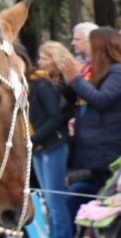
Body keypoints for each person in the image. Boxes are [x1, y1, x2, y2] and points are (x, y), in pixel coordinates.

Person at [61, 27, 121, 229]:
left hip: (109, 152)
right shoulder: (94, 71)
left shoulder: (117, 71)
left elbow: (102, 99)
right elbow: (76, 99)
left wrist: (76, 79)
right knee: (79, 197)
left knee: (107, 205)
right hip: (92, 154)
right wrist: (68, 81)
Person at [27, 42, 73, 238]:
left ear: (55, 60)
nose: (39, 62)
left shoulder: (48, 85)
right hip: (39, 147)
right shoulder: (40, 82)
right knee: (48, 198)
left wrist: (34, 139)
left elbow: (56, 117)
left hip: (53, 144)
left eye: (44, 58)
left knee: (55, 200)